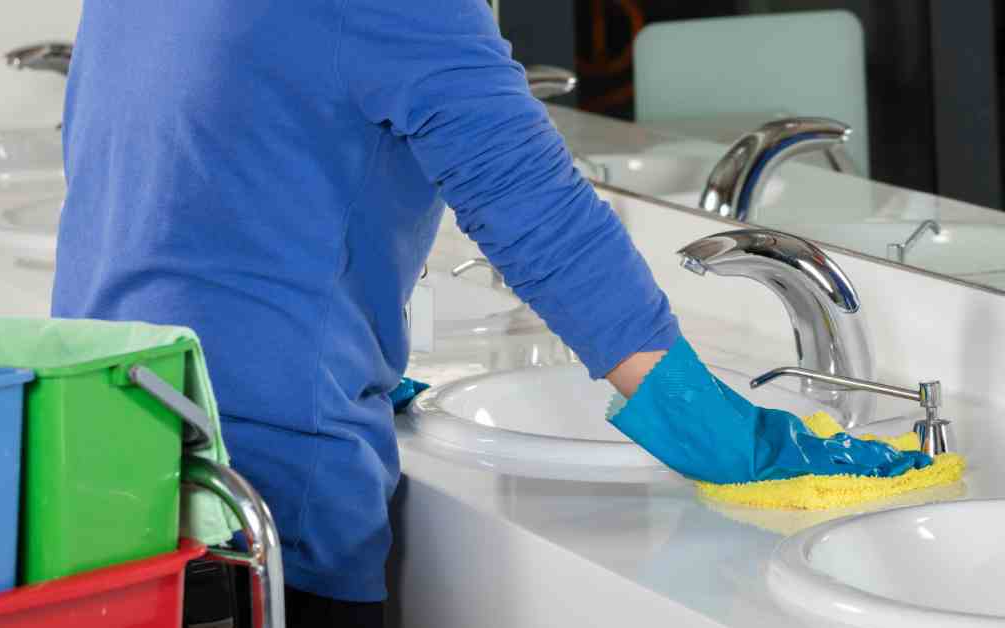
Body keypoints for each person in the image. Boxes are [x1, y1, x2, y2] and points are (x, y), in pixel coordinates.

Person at [52, 2, 928, 626]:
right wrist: (713, 426)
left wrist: (343, 349)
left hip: (106, 453)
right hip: (271, 506)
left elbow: (184, 178)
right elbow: (525, 198)